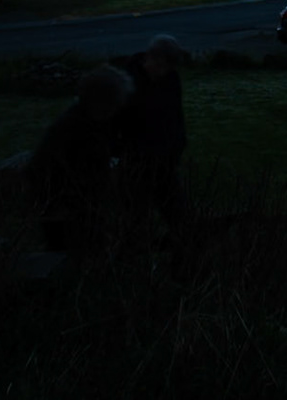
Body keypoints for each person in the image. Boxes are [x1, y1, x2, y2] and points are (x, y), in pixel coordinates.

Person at [27, 65, 133, 252]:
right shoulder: (71, 128)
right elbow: (49, 172)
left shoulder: (95, 122)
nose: (117, 109)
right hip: (65, 206)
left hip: (82, 203)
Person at [114, 34, 190, 227]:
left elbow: (176, 115)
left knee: (178, 212)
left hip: (164, 160)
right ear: (151, 58)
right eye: (162, 66)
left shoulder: (171, 78)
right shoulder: (127, 81)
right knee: (136, 215)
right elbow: (116, 121)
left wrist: (178, 143)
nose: (163, 72)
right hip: (136, 162)